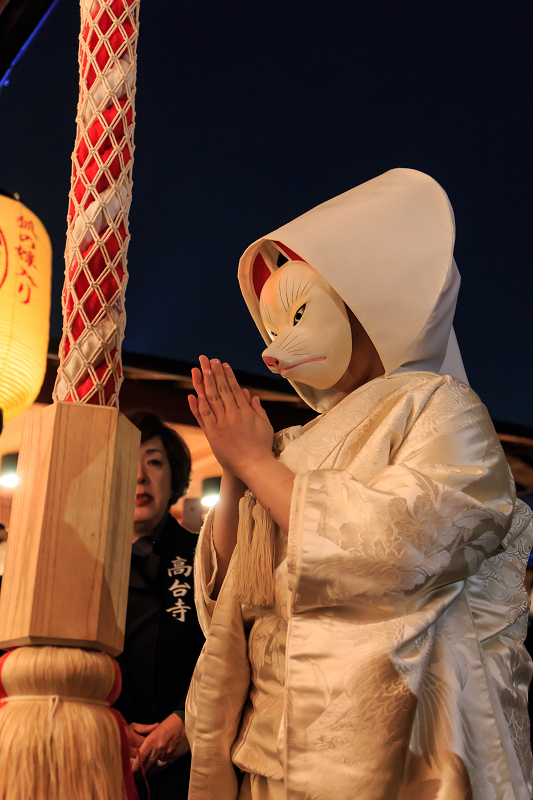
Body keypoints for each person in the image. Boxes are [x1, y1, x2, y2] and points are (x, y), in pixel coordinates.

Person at [185, 169, 533, 799]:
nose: (273, 349)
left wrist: (261, 468)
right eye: (269, 330)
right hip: (273, 746)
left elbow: (408, 542)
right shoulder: (292, 442)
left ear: (370, 295)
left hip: (396, 747)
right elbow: (242, 592)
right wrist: (240, 472)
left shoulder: (439, 405)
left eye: (296, 312)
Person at [114, 410, 205, 800]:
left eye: (153, 461)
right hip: (102, 754)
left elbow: (232, 654)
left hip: (189, 761)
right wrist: (111, 725)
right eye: (127, 461)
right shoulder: (85, 559)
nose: (139, 477)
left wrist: (189, 721)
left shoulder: (204, 555)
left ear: (175, 479)